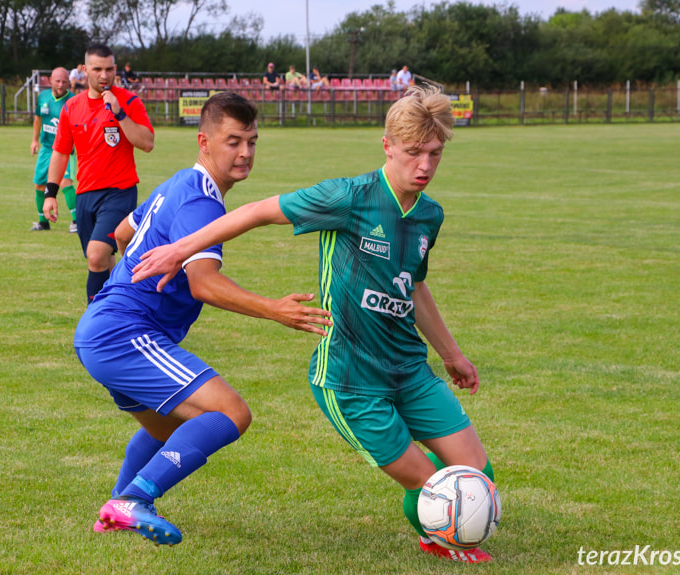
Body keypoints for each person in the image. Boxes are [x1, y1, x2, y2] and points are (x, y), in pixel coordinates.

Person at [131, 84, 496, 563]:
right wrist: (182, 249)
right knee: (434, 485)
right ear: (387, 146)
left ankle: (445, 515)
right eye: (413, 153)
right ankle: (439, 534)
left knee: (478, 476)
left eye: (434, 153)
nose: (424, 166)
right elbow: (258, 211)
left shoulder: (429, 215)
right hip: (351, 379)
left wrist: (451, 354)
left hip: (409, 370)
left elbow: (415, 286)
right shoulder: (348, 197)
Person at [74, 91, 332, 545]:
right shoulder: (202, 204)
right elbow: (204, 284)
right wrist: (275, 309)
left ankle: (114, 508)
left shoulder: (178, 184)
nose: (246, 152)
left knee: (168, 427)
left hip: (103, 330)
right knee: (231, 413)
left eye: (252, 141)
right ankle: (133, 500)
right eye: (233, 141)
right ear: (204, 141)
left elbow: (122, 232)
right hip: (124, 332)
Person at [43, 43, 154, 304]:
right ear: (84, 71)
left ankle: (94, 322)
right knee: (104, 261)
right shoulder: (71, 107)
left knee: (95, 255)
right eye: (97, 69)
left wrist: (119, 113)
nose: (104, 76)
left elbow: (147, 143)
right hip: (85, 194)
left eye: (108, 69)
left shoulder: (129, 101)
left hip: (120, 192)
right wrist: (50, 194)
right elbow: (60, 153)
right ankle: (124, 311)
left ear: (115, 69)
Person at [30, 67, 77, 232]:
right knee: (39, 184)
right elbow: (38, 119)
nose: (61, 84)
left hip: (64, 149)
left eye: (64, 81)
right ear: (50, 80)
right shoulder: (43, 96)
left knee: (65, 182)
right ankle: (43, 222)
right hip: (46, 148)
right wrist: (34, 140)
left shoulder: (73, 101)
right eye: (58, 81)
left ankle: (77, 222)